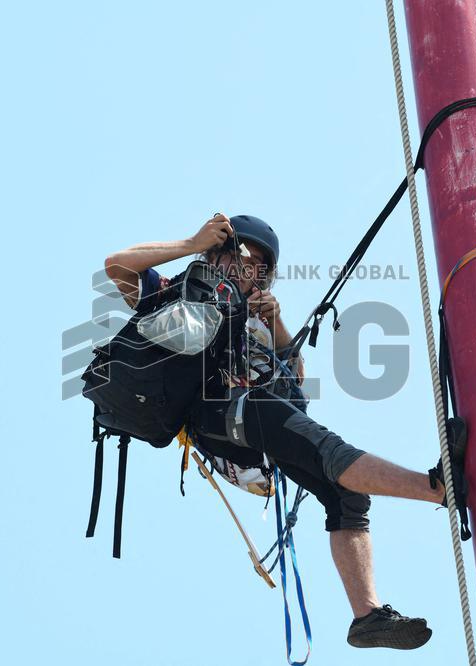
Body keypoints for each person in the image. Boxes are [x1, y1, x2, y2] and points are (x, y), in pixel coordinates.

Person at [104, 212, 452, 651]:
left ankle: (366, 616)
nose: (246, 270)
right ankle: (436, 489)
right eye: (239, 257)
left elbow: (296, 391)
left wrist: (276, 326)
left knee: (344, 491)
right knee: (313, 440)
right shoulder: (176, 291)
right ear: (216, 255)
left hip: (251, 427)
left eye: (258, 268)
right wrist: (193, 243)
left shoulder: (256, 325)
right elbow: (116, 265)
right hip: (215, 421)